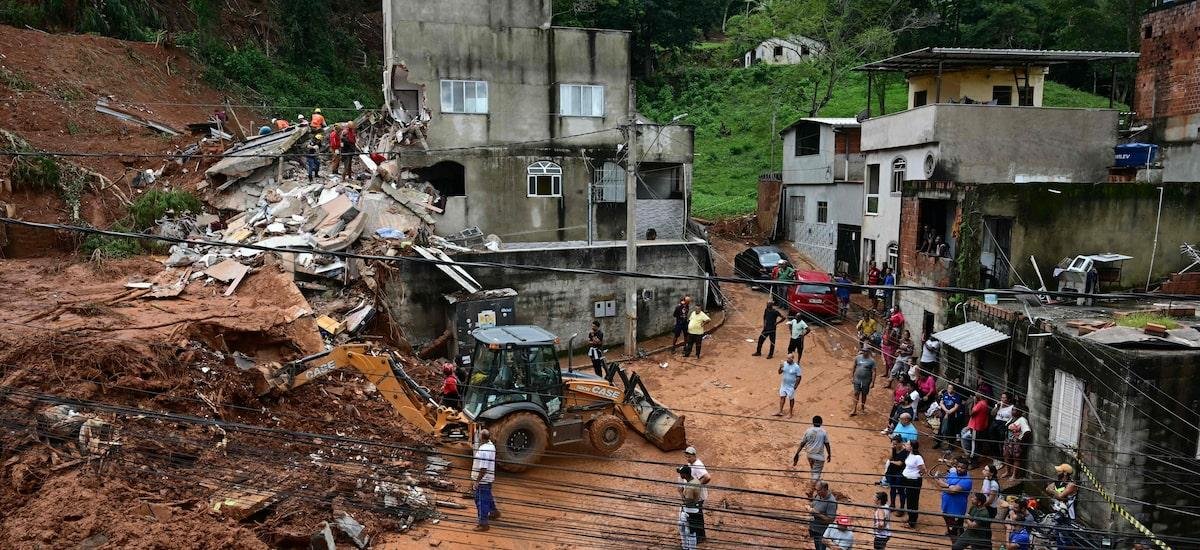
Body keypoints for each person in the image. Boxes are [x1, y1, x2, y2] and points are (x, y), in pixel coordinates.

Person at [937, 455, 973, 539]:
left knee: (956, 528)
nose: (959, 469)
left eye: (962, 468)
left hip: (956, 510)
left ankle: (956, 540)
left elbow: (953, 490)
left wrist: (944, 485)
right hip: (946, 506)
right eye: (958, 467)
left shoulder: (967, 480)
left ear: (967, 469)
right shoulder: (953, 473)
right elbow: (942, 483)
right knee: (949, 523)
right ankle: (952, 533)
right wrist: (947, 486)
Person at [471, 429, 499, 531]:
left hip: (483, 480)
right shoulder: (491, 445)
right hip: (488, 478)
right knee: (487, 496)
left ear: (481, 437)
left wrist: (477, 481)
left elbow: (483, 468)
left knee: (481, 501)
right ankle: (494, 512)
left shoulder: (484, 450)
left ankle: (483, 524)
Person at [682, 447, 711, 541]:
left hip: (698, 496)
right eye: (686, 457)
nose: (687, 459)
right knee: (694, 514)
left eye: (689, 457)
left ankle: (700, 537)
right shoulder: (691, 463)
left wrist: (696, 486)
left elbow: (707, 477)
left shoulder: (697, 465)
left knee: (697, 515)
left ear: (694, 456)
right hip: (694, 494)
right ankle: (697, 535)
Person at [794, 416, 832, 484]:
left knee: (814, 472)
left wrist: (797, 453)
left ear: (812, 422)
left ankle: (816, 485)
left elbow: (802, 443)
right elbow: (827, 444)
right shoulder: (823, 432)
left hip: (810, 455)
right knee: (816, 474)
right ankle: (811, 490)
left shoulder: (808, 431)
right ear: (821, 423)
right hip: (819, 457)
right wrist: (829, 455)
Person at [900, 440, 926, 529]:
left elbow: (923, 469)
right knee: (909, 500)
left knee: (913, 501)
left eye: (907, 444)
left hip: (914, 481)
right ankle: (910, 518)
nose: (905, 445)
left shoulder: (918, 457)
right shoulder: (910, 454)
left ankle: (912, 522)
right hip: (907, 479)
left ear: (911, 447)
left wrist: (917, 474)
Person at [1002, 408, 1031, 481]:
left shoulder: (1022, 420)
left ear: (1020, 412)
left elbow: (1027, 432)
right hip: (1008, 441)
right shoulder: (1012, 418)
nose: (1013, 411)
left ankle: (1014, 475)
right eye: (1012, 410)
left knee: (1016, 459)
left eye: (1015, 410)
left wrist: (1020, 441)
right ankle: (1008, 471)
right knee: (1006, 456)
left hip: (1016, 443)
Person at [677, 465, 702, 550]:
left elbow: (687, 502)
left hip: (689, 511)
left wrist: (680, 492)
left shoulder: (690, 487)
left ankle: (689, 548)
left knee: (689, 533)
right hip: (694, 509)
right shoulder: (695, 480)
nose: (680, 475)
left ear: (685, 475)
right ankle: (686, 547)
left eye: (681, 473)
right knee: (688, 531)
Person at [884, 436, 908, 519]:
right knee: (892, 488)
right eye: (893, 443)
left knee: (901, 490)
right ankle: (892, 505)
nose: (894, 445)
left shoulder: (905, 451)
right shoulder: (894, 449)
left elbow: (900, 463)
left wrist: (891, 461)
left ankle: (901, 508)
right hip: (892, 471)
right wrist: (892, 449)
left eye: (895, 444)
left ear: (900, 443)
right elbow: (889, 457)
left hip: (900, 473)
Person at [809, 481, 838, 550]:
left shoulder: (831, 502)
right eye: (816, 490)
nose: (817, 492)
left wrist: (817, 513)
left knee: (821, 548)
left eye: (818, 490)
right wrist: (810, 507)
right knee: (817, 546)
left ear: (825, 489)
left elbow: (831, 519)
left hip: (823, 531)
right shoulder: (818, 495)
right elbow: (813, 504)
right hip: (815, 527)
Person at [934, 384, 965, 450]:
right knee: (941, 428)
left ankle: (950, 445)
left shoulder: (957, 397)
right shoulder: (945, 394)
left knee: (951, 430)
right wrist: (945, 410)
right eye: (948, 388)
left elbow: (956, 407)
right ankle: (938, 442)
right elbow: (941, 403)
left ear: (954, 390)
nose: (949, 389)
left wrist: (948, 412)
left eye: (950, 388)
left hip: (952, 416)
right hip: (944, 414)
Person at [963, 392, 990, 464]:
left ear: (980, 396)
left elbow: (971, 413)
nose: (975, 395)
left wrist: (974, 403)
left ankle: (973, 460)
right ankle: (969, 454)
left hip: (976, 427)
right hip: (975, 426)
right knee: (965, 436)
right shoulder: (984, 403)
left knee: (974, 444)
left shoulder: (980, 404)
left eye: (976, 394)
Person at [851, 348, 876, 416]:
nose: (863, 352)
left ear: (868, 352)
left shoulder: (872, 361)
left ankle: (862, 408)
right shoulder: (858, 358)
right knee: (856, 393)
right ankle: (854, 409)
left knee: (864, 394)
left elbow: (874, 372)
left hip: (866, 380)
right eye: (863, 351)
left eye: (865, 351)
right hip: (857, 379)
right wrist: (852, 377)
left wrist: (873, 382)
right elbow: (854, 367)